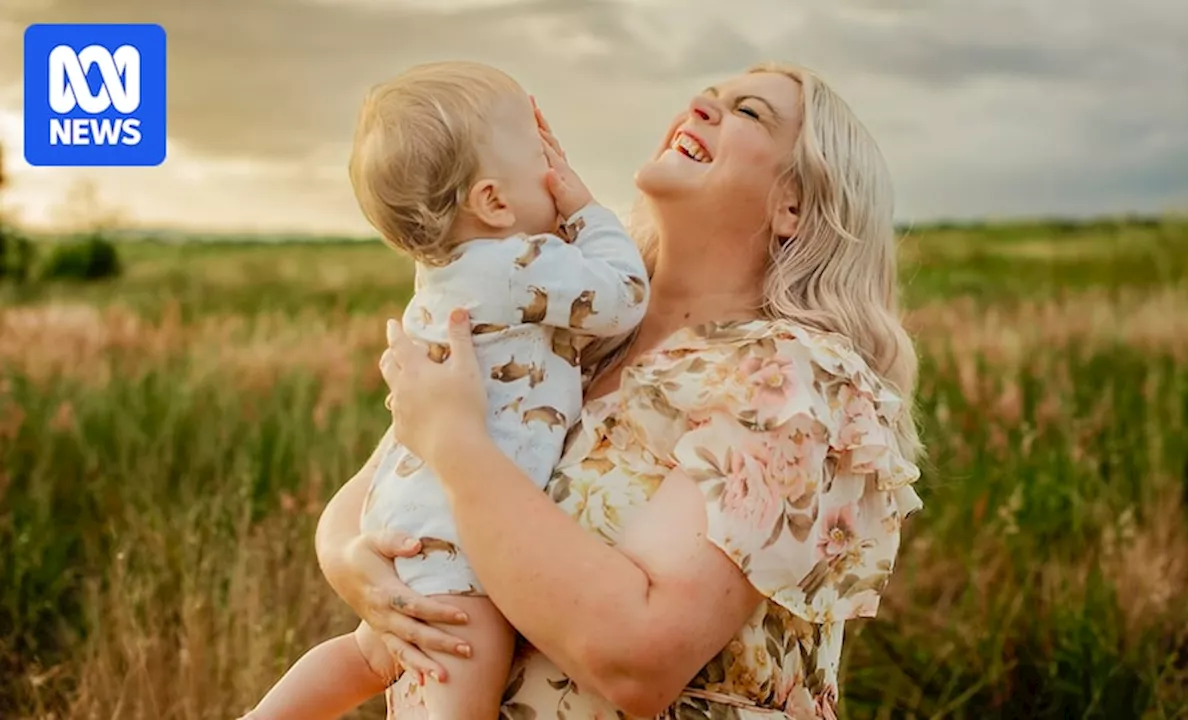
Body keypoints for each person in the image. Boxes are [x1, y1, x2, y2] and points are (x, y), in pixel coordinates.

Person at [319, 61, 924, 720]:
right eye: (708, 94)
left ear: (795, 206)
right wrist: (357, 567)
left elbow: (636, 660)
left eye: (749, 111)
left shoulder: (790, 380)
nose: (700, 103)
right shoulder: (566, 335)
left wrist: (459, 451)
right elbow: (375, 489)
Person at [241, 61, 649, 720]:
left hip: (411, 515)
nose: (556, 164)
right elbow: (624, 298)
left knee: (369, 656)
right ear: (493, 201)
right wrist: (586, 211)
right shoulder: (516, 264)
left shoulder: (448, 271)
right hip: (460, 546)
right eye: (539, 152)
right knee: (457, 692)